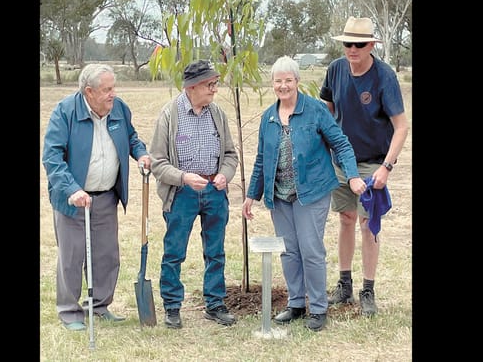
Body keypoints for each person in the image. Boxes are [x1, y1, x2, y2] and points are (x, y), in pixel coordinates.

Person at [241, 56, 366, 332]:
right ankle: (296, 303)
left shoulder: (316, 110)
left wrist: (353, 175)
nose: (283, 86)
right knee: (289, 251)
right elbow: (262, 159)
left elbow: (341, 144)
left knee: (311, 250)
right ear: (272, 84)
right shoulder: (268, 117)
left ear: (297, 82)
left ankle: (319, 308)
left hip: (312, 191)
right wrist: (252, 195)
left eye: (288, 80)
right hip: (280, 195)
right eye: (278, 81)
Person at [42, 63, 151, 331]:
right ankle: (69, 312)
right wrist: (72, 189)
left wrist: (141, 153)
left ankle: (99, 307)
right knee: (71, 255)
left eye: (113, 88)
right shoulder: (65, 112)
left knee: (106, 255)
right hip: (72, 199)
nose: (113, 94)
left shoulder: (119, 109)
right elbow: (52, 157)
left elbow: (132, 138)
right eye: (107, 90)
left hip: (105, 197)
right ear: (89, 92)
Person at [320, 16, 410, 316]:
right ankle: (344, 285)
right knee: (345, 219)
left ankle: (367, 289)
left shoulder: (384, 77)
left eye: (359, 44)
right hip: (341, 162)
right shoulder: (335, 70)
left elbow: (401, 126)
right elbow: (327, 110)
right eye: (348, 43)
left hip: (374, 162)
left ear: (372, 45)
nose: (352, 49)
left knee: (367, 224)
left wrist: (386, 167)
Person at [149, 59, 240, 329]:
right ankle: (172, 306)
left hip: (214, 191)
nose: (214, 90)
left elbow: (230, 155)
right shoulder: (169, 115)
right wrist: (183, 178)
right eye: (209, 85)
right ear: (192, 87)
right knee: (174, 252)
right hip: (182, 193)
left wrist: (225, 173)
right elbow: (157, 163)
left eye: (214, 84)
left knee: (216, 251)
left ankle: (215, 304)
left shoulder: (217, 114)